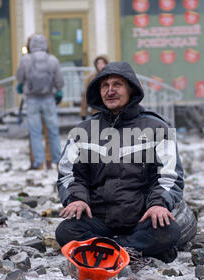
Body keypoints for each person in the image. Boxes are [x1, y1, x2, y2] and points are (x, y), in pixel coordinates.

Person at [55, 62, 184, 263]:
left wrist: (159, 204)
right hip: (98, 218)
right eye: (105, 86)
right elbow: (70, 174)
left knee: (168, 231)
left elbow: (169, 175)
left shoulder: (157, 128)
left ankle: (106, 249)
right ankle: (130, 248)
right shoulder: (83, 131)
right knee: (65, 231)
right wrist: (76, 199)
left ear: (131, 89)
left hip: (140, 218)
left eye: (117, 85)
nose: (110, 91)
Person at [16, 34, 64, 170]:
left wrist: (21, 86)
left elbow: (19, 77)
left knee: (35, 132)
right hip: (49, 98)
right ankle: (57, 160)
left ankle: (38, 161)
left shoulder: (26, 59)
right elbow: (59, 81)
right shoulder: (52, 59)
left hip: (32, 99)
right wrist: (58, 91)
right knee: (53, 130)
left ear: (31, 45)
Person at [80, 55, 109, 121]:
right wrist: (83, 112)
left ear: (106, 64)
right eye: (98, 63)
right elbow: (86, 95)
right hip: (95, 112)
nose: (100, 65)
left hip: (109, 112)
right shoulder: (92, 78)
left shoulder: (111, 77)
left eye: (102, 63)